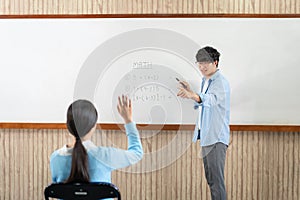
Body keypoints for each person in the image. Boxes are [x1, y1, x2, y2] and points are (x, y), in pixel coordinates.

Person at [50, 95, 143, 184]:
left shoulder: (55, 159)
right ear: (94, 126)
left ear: (67, 126)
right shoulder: (106, 156)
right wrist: (128, 120)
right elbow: (137, 153)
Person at [177, 46, 230, 200]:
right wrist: (191, 92)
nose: (202, 66)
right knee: (211, 180)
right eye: (199, 63)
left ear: (215, 62)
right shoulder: (206, 81)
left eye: (206, 63)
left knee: (216, 182)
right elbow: (203, 101)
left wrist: (193, 95)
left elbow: (211, 100)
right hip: (207, 137)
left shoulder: (220, 82)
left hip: (216, 138)